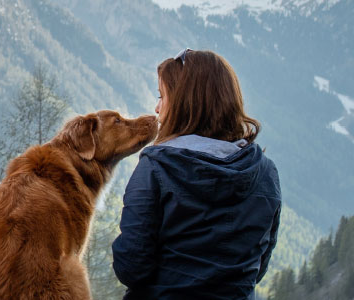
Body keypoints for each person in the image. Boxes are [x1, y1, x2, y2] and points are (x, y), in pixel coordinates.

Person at [112, 49, 282, 299]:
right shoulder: (265, 172)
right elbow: (258, 267)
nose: (157, 108)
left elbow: (131, 267)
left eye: (162, 97)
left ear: (185, 103)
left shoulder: (156, 168)